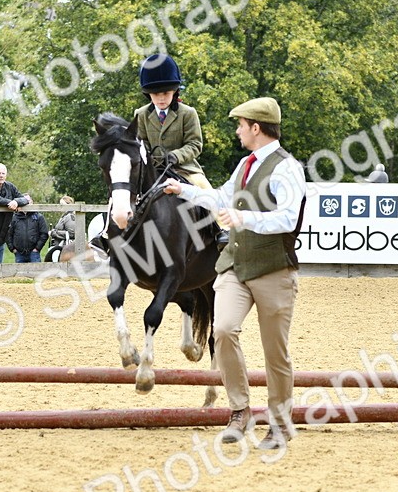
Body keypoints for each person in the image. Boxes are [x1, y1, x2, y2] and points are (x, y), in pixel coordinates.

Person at [163, 97, 306, 450]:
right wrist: (183, 190)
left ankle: (279, 421)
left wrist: (246, 218)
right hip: (235, 265)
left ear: (256, 128)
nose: (238, 131)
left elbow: (288, 218)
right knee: (223, 329)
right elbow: (221, 197)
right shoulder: (245, 164)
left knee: (276, 352)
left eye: (240, 125)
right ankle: (240, 410)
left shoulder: (287, 168)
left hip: (273, 268)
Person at [92, 54, 226, 251]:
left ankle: (219, 230)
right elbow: (139, 143)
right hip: (152, 169)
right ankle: (105, 234)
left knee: (204, 190)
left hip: (184, 168)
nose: (161, 98)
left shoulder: (187, 113)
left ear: (174, 91)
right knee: (121, 191)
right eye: (156, 94)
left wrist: (174, 156)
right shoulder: (141, 114)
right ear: (149, 94)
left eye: (165, 93)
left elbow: (195, 144)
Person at [0, 163, 29, 264]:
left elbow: (24, 199)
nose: (1, 176)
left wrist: (16, 202)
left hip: (2, 235)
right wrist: (9, 202)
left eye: (3, 173)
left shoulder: (10, 186)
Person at [7, 198, 47, 263]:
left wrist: (37, 248)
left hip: (34, 253)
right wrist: (12, 249)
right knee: (19, 272)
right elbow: (8, 234)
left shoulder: (39, 217)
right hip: (19, 253)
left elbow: (44, 234)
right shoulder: (14, 218)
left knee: (35, 272)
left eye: (29, 201)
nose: (27, 204)